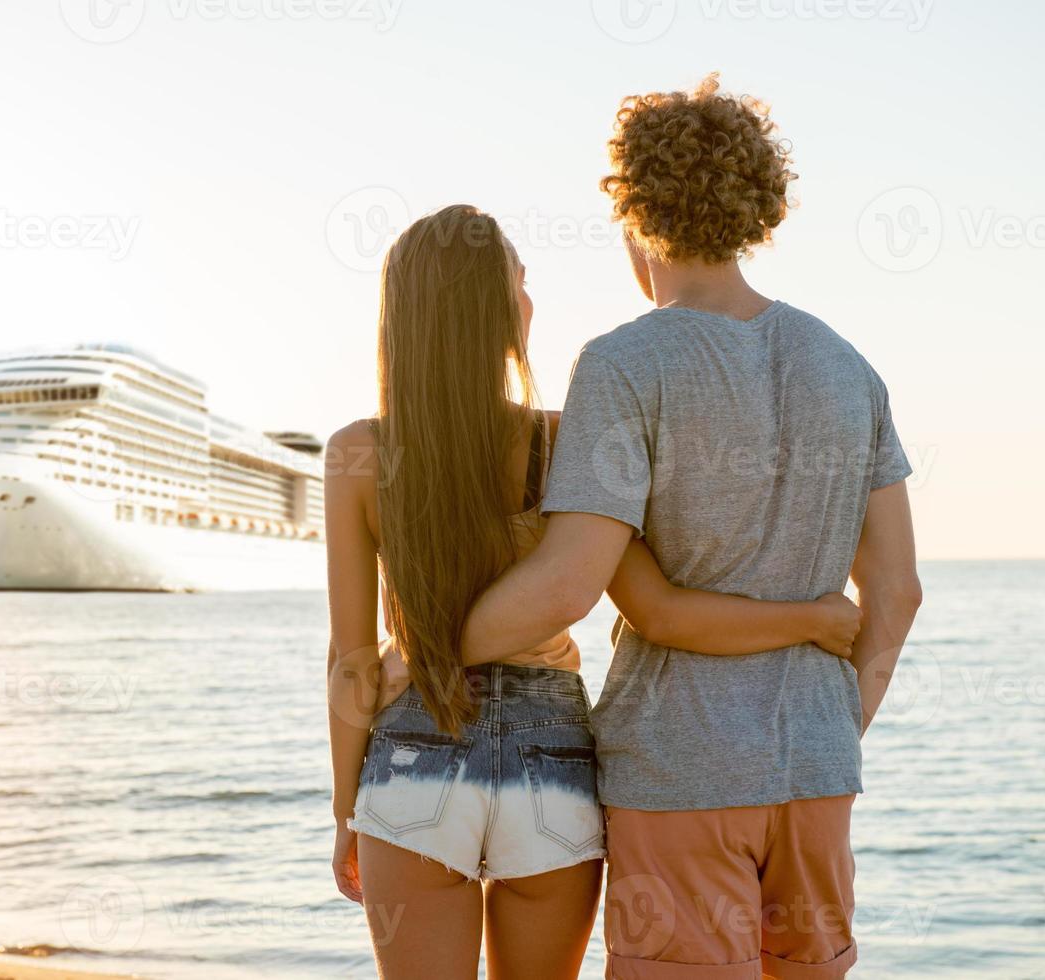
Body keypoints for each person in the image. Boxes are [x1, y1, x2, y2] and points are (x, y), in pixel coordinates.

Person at [445, 76, 924, 979]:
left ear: (633, 209)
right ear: (755, 206)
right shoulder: (848, 368)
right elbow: (896, 592)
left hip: (679, 773)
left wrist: (428, 646)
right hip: (817, 775)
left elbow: (568, 582)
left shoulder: (624, 363)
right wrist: (831, 724)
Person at [325, 203, 867, 979]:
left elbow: (350, 663)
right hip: (552, 765)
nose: (528, 297)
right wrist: (813, 617)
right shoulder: (562, 437)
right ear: (503, 312)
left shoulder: (357, 456)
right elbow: (653, 605)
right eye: (520, 281)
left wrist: (348, 811)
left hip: (413, 758)